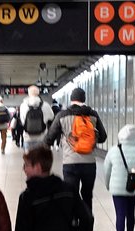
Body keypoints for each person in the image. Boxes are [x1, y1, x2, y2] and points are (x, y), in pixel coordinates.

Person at [46, 87, 108, 217]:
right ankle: (87, 228)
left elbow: (49, 138)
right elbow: (103, 137)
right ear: (84, 99)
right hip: (89, 163)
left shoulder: (62, 115)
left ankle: (73, 225)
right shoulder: (93, 115)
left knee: (71, 195)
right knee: (87, 196)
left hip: (70, 163)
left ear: (71, 99)